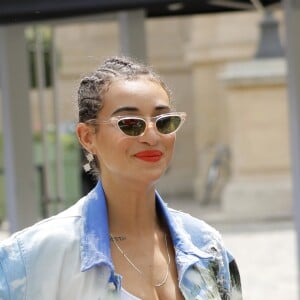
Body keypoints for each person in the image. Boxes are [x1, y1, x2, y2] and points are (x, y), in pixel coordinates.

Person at [0, 56, 242, 300]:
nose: (151, 136)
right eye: (130, 123)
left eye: (164, 121)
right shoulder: (33, 258)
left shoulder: (207, 247)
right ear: (87, 137)